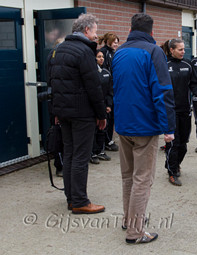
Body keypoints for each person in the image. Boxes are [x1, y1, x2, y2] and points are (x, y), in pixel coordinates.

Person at [112, 13, 176, 244]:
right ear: (151, 30)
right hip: (145, 126)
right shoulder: (153, 51)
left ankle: (128, 219)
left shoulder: (118, 52)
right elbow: (162, 91)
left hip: (123, 125)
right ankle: (136, 231)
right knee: (142, 179)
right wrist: (169, 127)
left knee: (128, 176)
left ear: (131, 28)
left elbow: (115, 88)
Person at [47, 13, 107, 214]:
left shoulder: (59, 50)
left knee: (70, 155)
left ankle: (71, 199)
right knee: (81, 157)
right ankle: (80, 201)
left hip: (64, 113)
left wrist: (56, 111)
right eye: (96, 31)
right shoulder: (84, 52)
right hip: (82, 114)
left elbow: (53, 83)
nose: (97, 36)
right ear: (87, 30)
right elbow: (94, 86)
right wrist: (101, 115)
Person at [162, 38, 197, 186]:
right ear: (172, 50)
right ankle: (172, 171)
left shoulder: (188, 64)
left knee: (183, 144)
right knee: (173, 143)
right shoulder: (164, 65)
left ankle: (175, 164)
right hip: (170, 111)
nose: (184, 52)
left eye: (184, 49)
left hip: (185, 110)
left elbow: (194, 83)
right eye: (180, 49)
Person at [90, 50, 113, 164]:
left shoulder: (106, 72)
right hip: (93, 106)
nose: (101, 59)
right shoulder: (90, 73)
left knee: (102, 128)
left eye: (102, 57)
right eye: (99, 57)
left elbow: (110, 90)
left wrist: (109, 104)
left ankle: (100, 150)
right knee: (93, 129)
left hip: (104, 105)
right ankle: (92, 152)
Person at [98, 32, 120, 152]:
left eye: (117, 42)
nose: (116, 44)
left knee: (112, 116)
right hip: (107, 87)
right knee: (108, 115)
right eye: (114, 42)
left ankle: (108, 139)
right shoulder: (104, 52)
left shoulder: (114, 52)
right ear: (108, 42)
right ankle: (106, 140)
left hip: (113, 87)